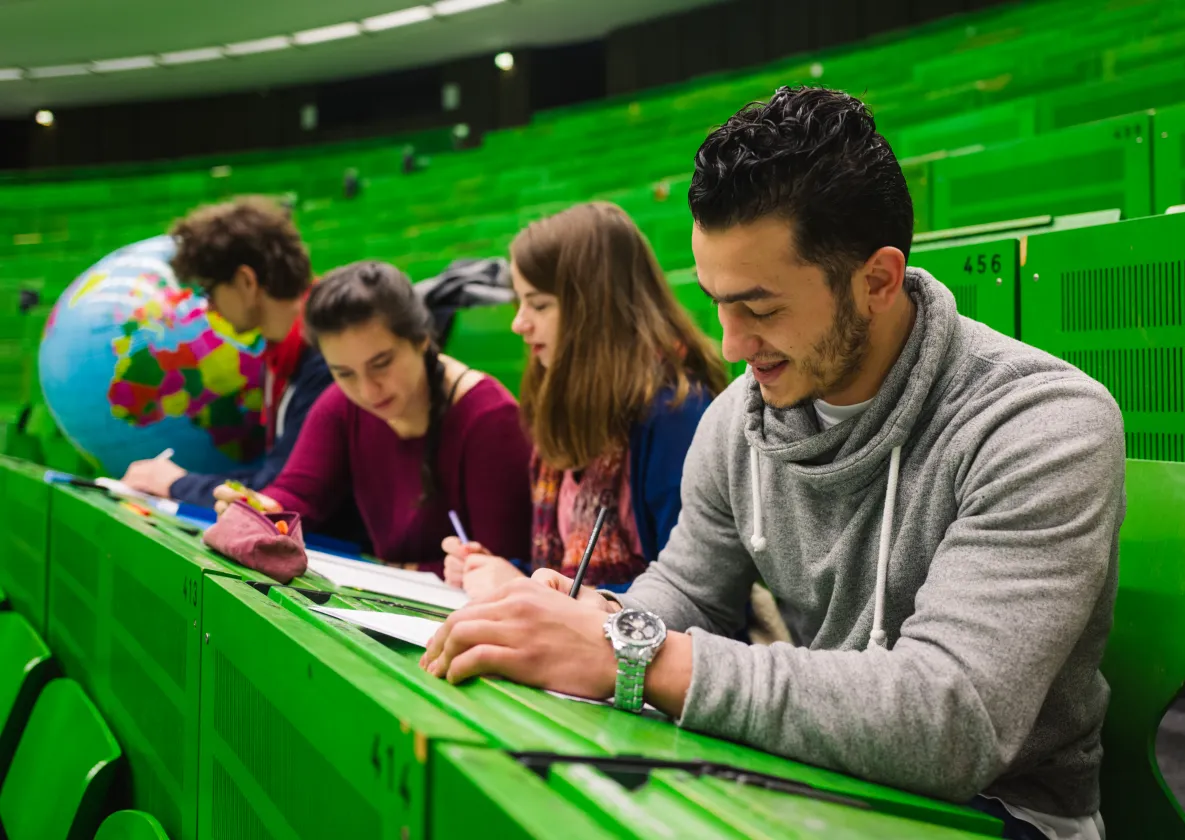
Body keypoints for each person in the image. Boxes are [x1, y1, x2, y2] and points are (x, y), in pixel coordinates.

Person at [420, 87, 1123, 840]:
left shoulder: (1040, 423)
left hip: (1002, 811)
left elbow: (950, 721)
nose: (729, 346)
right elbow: (687, 591)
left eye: (760, 310)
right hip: (814, 775)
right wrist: (601, 618)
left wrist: (636, 656)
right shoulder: (737, 420)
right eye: (718, 305)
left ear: (878, 280)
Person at [442, 203, 727, 597]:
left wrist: (522, 588)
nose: (518, 322)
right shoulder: (562, 405)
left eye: (539, 305)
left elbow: (700, 598)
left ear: (596, 309)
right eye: (519, 303)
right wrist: (496, 569)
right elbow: (564, 572)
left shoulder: (675, 413)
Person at [214, 260, 533, 572]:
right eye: (344, 373)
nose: (367, 390)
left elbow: (507, 564)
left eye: (381, 364)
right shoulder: (340, 403)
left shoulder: (491, 421)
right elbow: (298, 492)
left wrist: (404, 570)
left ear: (421, 338)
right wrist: (260, 508)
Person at [120, 197, 335, 513]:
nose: (209, 307)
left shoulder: (327, 356)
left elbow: (278, 494)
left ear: (247, 281)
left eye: (209, 290)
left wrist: (176, 484)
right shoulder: (281, 355)